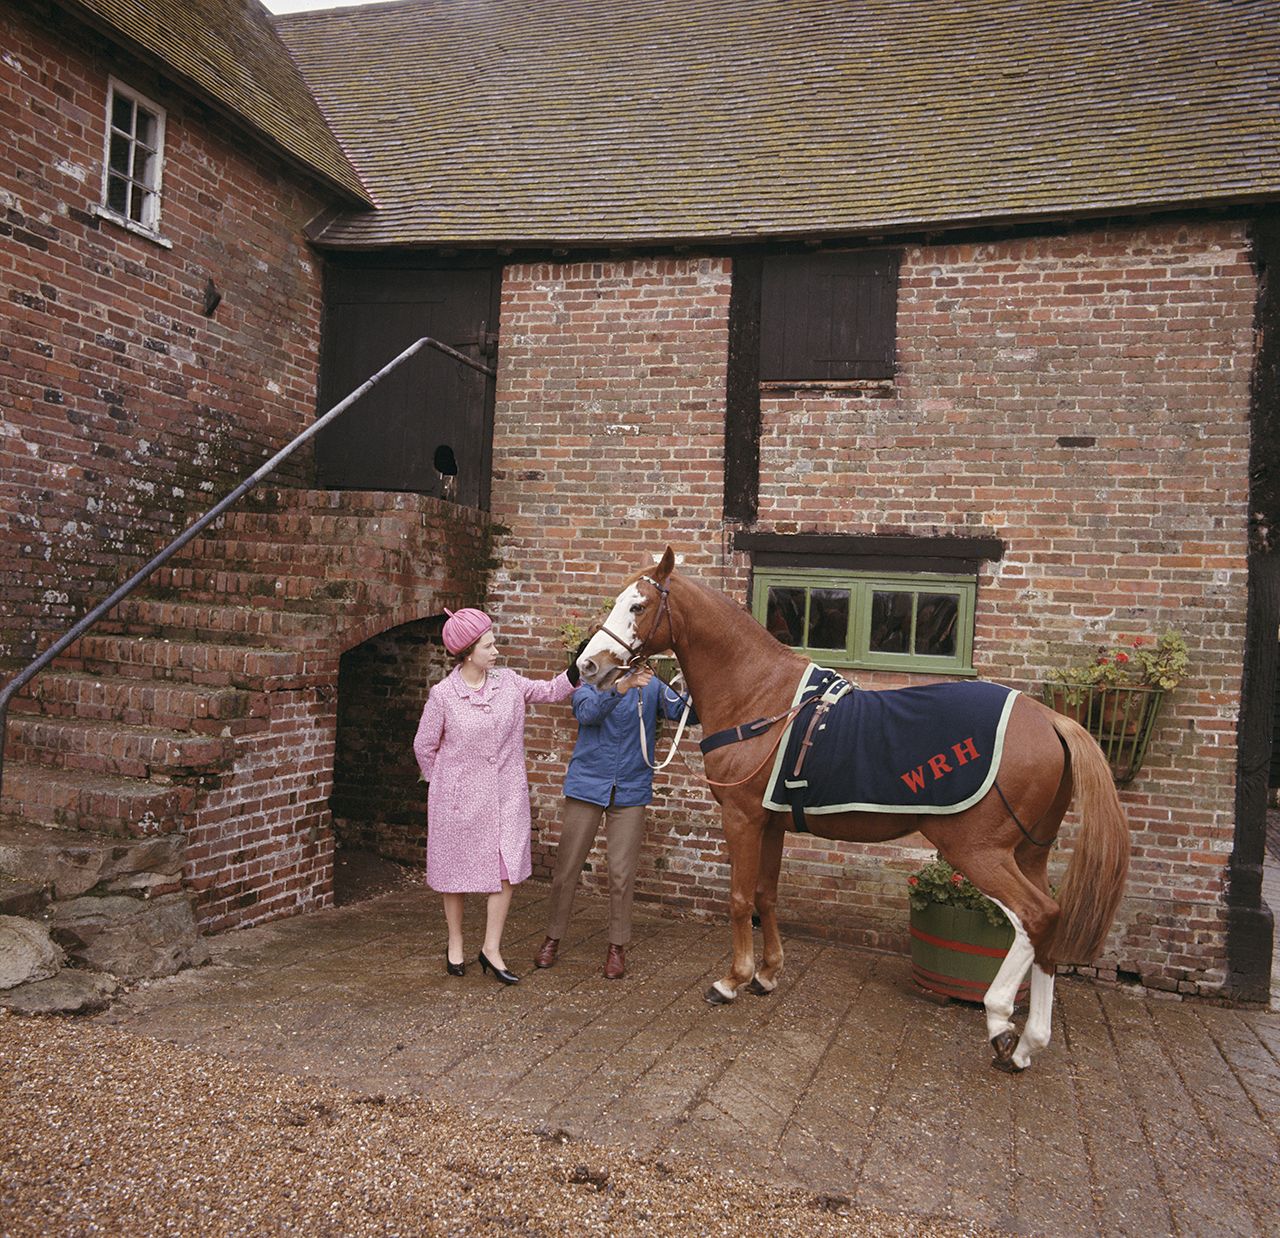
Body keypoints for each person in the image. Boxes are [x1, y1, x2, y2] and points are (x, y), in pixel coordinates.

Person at [413, 607, 578, 985]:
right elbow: (424, 746)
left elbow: (550, 691)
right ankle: (455, 942)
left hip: (506, 798)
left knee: (505, 871)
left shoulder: (509, 683)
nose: (496, 651)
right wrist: (445, 785)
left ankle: (491, 948)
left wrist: (577, 669)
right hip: (457, 802)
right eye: (489, 645)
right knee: (453, 873)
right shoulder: (444, 696)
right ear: (469, 652)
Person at [533, 661, 692, 979]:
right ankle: (552, 937)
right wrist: (622, 687)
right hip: (587, 785)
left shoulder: (652, 685)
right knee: (566, 871)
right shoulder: (590, 680)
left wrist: (694, 678)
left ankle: (617, 947)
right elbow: (587, 713)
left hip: (631, 790)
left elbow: (685, 714)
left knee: (621, 875)